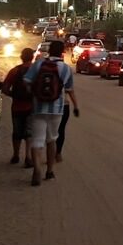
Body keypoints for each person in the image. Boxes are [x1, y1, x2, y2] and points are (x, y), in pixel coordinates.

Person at [24, 40, 79, 187]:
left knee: (37, 140)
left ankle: (36, 169)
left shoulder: (39, 64)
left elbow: (27, 81)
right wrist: (76, 106)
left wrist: (34, 94)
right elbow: (69, 89)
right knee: (52, 139)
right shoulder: (66, 68)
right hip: (57, 109)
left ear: (49, 50)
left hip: (38, 108)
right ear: (62, 52)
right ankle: (49, 170)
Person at [0, 48, 36, 167]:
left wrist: (14, 95)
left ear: (21, 57)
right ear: (32, 57)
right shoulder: (36, 71)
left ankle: (16, 155)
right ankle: (28, 157)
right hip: (32, 107)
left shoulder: (15, 71)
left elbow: (5, 88)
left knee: (17, 132)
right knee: (29, 133)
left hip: (16, 106)